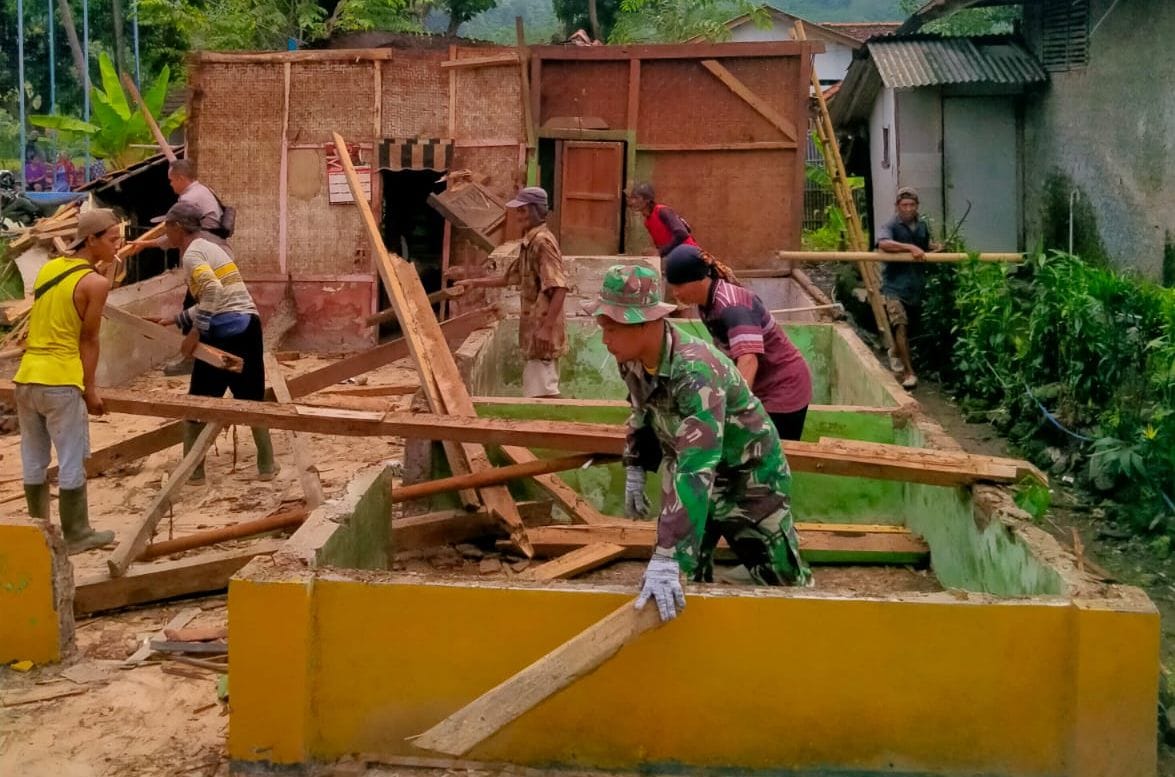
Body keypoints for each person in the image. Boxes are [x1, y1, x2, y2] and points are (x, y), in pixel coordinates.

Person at [585, 264, 811, 622]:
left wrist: (668, 552)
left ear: (645, 324)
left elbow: (696, 465)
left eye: (611, 328)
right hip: (692, 473)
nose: (605, 339)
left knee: (783, 583)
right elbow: (641, 412)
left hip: (749, 481)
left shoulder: (695, 370)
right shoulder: (631, 362)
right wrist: (635, 465)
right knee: (683, 583)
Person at [147, 201, 277, 484]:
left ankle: (193, 472)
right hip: (244, 326)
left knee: (199, 402)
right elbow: (218, 296)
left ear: (177, 227)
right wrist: (176, 318)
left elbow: (214, 292)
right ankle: (267, 465)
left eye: (167, 226)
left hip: (226, 330)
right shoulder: (209, 247)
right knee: (251, 397)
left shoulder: (193, 255)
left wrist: (195, 331)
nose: (165, 232)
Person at [13, 209, 119, 553]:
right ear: (92, 240)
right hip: (61, 380)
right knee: (72, 458)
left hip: (27, 378)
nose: (118, 245)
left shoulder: (50, 268)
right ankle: (76, 533)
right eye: (113, 239)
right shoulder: (95, 284)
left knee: (33, 458)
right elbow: (88, 339)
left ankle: (37, 533)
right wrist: (90, 390)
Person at [663, 245, 813, 441]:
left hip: (784, 391)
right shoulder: (707, 305)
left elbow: (748, 360)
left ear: (699, 279)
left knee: (769, 458)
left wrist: (734, 409)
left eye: (678, 286)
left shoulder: (732, 306)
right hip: (763, 387)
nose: (675, 293)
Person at [453, 186, 568, 398]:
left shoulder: (542, 242)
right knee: (539, 386)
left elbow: (559, 287)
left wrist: (546, 327)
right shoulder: (530, 242)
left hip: (540, 329)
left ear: (535, 210)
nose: (519, 217)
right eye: (519, 211)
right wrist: (474, 283)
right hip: (534, 329)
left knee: (542, 392)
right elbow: (509, 279)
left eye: (523, 211)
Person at [876, 187, 939, 390]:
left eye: (912, 205)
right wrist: (909, 248)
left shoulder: (921, 226)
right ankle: (909, 373)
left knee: (910, 329)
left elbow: (923, 245)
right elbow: (884, 244)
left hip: (915, 286)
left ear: (917, 206)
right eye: (904, 205)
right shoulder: (891, 225)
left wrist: (933, 249)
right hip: (894, 286)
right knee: (900, 324)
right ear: (897, 207)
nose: (908, 209)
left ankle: (896, 353)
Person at [627, 182, 698, 261]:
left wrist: (660, 252)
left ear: (647, 200)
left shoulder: (662, 211)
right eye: (632, 198)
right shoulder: (648, 222)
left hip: (689, 255)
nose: (632, 202)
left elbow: (682, 233)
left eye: (636, 198)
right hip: (677, 258)